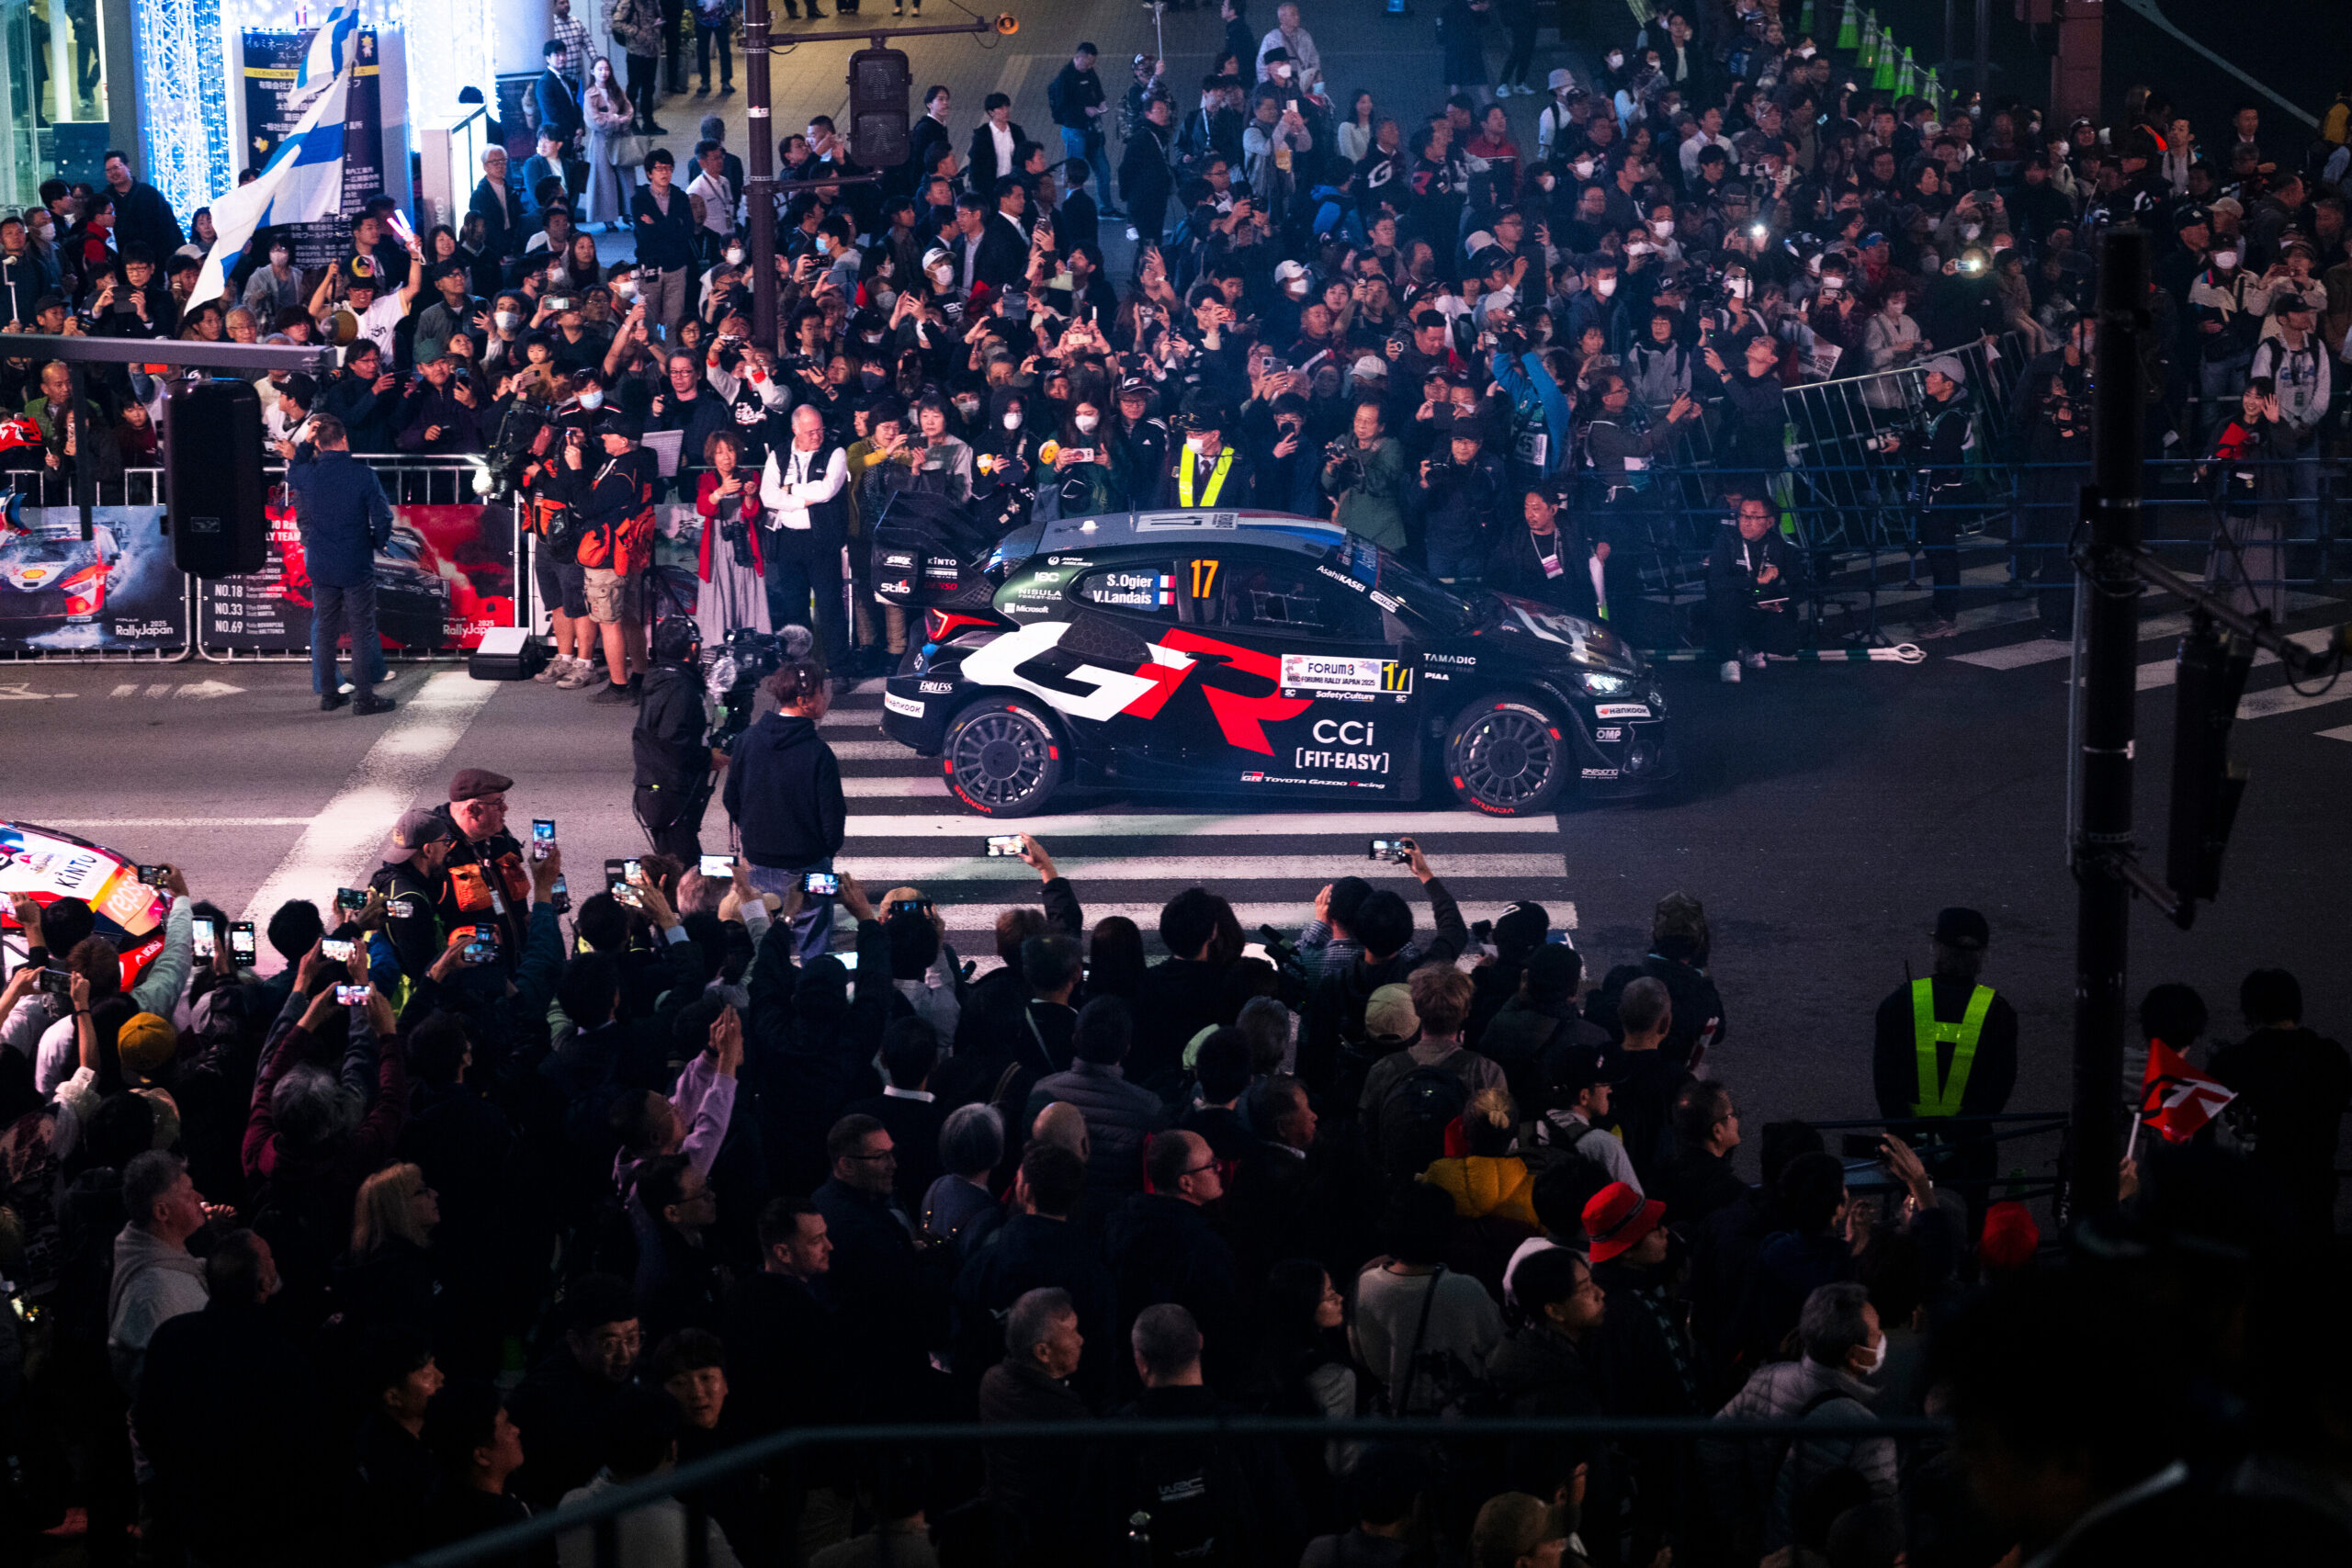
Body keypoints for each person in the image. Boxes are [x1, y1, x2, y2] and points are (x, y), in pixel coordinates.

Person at [1872, 908, 2018, 1206]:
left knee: (1912, 1232)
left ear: (1937, 948)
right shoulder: (1999, 1012)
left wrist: (1914, 1138)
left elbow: (1886, 1086)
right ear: (1981, 956)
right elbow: (1997, 1093)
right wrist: (1951, 1138)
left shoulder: (1898, 1003)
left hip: (1911, 1152)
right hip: (1971, 1153)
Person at [2208, 969, 2351, 1235]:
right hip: (2315, 1186)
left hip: (2256, 1190)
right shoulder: (2331, 1057)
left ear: (2249, 1010)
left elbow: (2204, 1133)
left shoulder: (2232, 1062)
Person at [722, 658, 845, 962]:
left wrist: (753, 834)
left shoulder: (747, 740)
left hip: (757, 863)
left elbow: (730, 798)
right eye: (821, 692)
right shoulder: (819, 753)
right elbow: (833, 821)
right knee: (814, 942)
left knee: (761, 941)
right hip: (806, 865)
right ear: (805, 701)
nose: (826, 697)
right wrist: (821, 857)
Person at [286, 412, 396, 716]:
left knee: (325, 629)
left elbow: (292, 472)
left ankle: (329, 695)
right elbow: (383, 517)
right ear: (344, 439)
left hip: (320, 562)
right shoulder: (363, 475)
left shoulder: (307, 475)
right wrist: (379, 541)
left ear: (318, 442)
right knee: (361, 630)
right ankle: (364, 698)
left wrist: (306, 446)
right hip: (355, 561)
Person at [556, 407, 660, 704]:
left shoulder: (623, 472)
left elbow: (588, 506)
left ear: (624, 441)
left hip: (609, 555)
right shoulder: (633, 461)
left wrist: (575, 469)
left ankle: (618, 685)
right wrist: (582, 447)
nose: (603, 438)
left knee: (609, 621)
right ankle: (638, 677)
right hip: (626, 553)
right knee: (628, 617)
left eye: (608, 434)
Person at [107, 1149, 210, 1395]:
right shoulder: (152, 1297)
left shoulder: (163, 1255)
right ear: (162, 1212)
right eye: (188, 1194)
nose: (200, 1198)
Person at [757, 403, 852, 670]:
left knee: (830, 604)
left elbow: (826, 490)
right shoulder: (779, 454)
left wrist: (789, 491)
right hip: (788, 540)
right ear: (795, 429)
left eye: (819, 429)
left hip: (822, 539)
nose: (817, 436)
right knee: (794, 607)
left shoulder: (835, 452)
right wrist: (802, 500)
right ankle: (800, 665)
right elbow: (767, 496)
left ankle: (839, 666)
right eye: (810, 431)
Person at [632, 616, 718, 860]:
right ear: (693, 648)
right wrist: (707, 757)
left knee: (671, 865)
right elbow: (674, 742)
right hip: (671, 792)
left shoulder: (658, 677)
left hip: (653, 789)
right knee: (687, 871)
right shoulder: (681, 688)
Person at [1706, 495, 1805, 682]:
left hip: (1763, 602)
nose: (1746, 522)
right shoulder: (1726, 540)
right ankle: (1729, 659)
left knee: (1787, 643)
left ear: (1769, 522)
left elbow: (1799, 587)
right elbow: (1717, 582)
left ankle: (1752, 645)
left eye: (1753, 517)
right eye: (1743, 516)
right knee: (1726, 601)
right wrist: (1755, 581)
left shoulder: (1780, 547)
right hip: (1732, 601)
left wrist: (1781, 603)